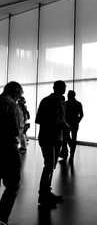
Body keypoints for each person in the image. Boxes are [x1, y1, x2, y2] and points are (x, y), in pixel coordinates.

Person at [35, 80, 69, 208]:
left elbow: (61, 118)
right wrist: (59, 125)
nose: (63, 89)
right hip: (48, 137)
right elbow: (40, 120)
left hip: (57, 138)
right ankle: (43, 195)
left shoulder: (61, 101)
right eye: (62, 87)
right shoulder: (47, 101)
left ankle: (46, 193)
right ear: (55, 88)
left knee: (51, 166)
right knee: (49, 165)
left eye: (64, 87)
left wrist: (64, 125)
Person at [0, 81, 23, 225]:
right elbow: (15, 130)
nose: (21, 96)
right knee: (13, 184)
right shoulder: (11, 105)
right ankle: (2, 217)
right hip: (7, 148)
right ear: (15, 91)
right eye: (20, 93)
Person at [60, 90, 83, 162]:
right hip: (74, 123)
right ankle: (71, 153)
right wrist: (77, 121)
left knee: (65, 138)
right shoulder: (78, 103)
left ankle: (66, 152)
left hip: (67, 123)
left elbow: (63, 113)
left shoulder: (66, 103)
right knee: (73, 139)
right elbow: (81, 114)